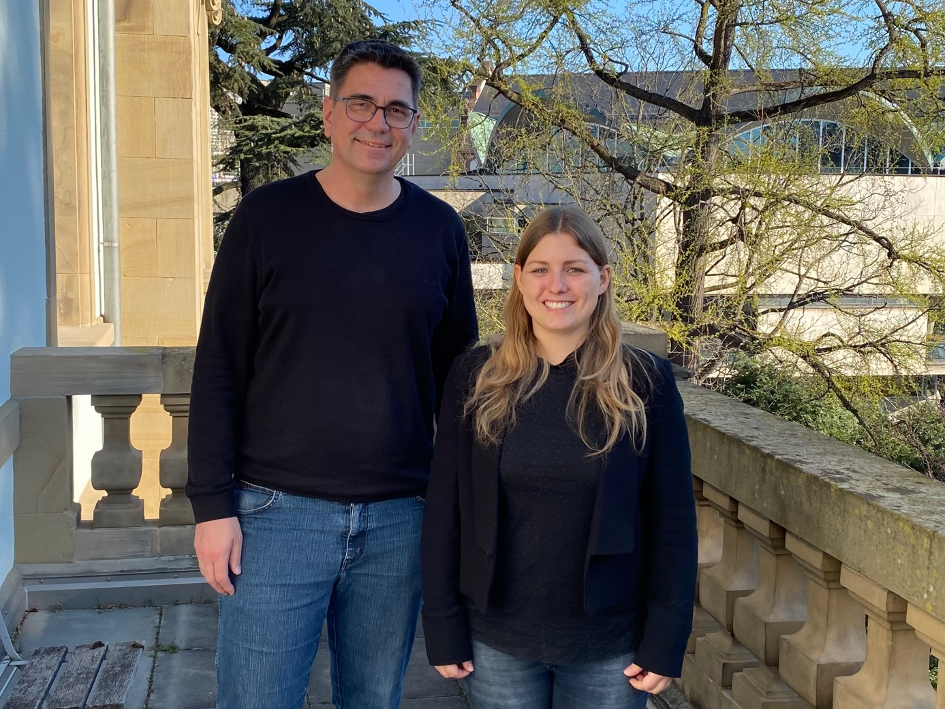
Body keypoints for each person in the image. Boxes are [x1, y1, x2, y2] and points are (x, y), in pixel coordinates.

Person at [185, 40, 478, 709]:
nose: (378, 122)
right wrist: (212, 508)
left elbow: (458, 382)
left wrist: (456, 509)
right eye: (361, 104)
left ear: (413, 125)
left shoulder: (439, 230)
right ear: (327, 113)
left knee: (373, 699)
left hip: (400, 520)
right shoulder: (266, 218)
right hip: (274, 516)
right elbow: (219, 366)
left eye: (396, 110)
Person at [421, 205, 697, 709]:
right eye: (541, 269)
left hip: (609, 646)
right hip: (497, 642)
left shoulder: (644, 382)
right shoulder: (476, 376)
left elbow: (673, 521)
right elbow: (445, 510)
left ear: (602, 279)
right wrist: (441, 624)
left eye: (574, 269)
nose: (557, 286)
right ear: (519, 279)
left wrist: (666, 639)